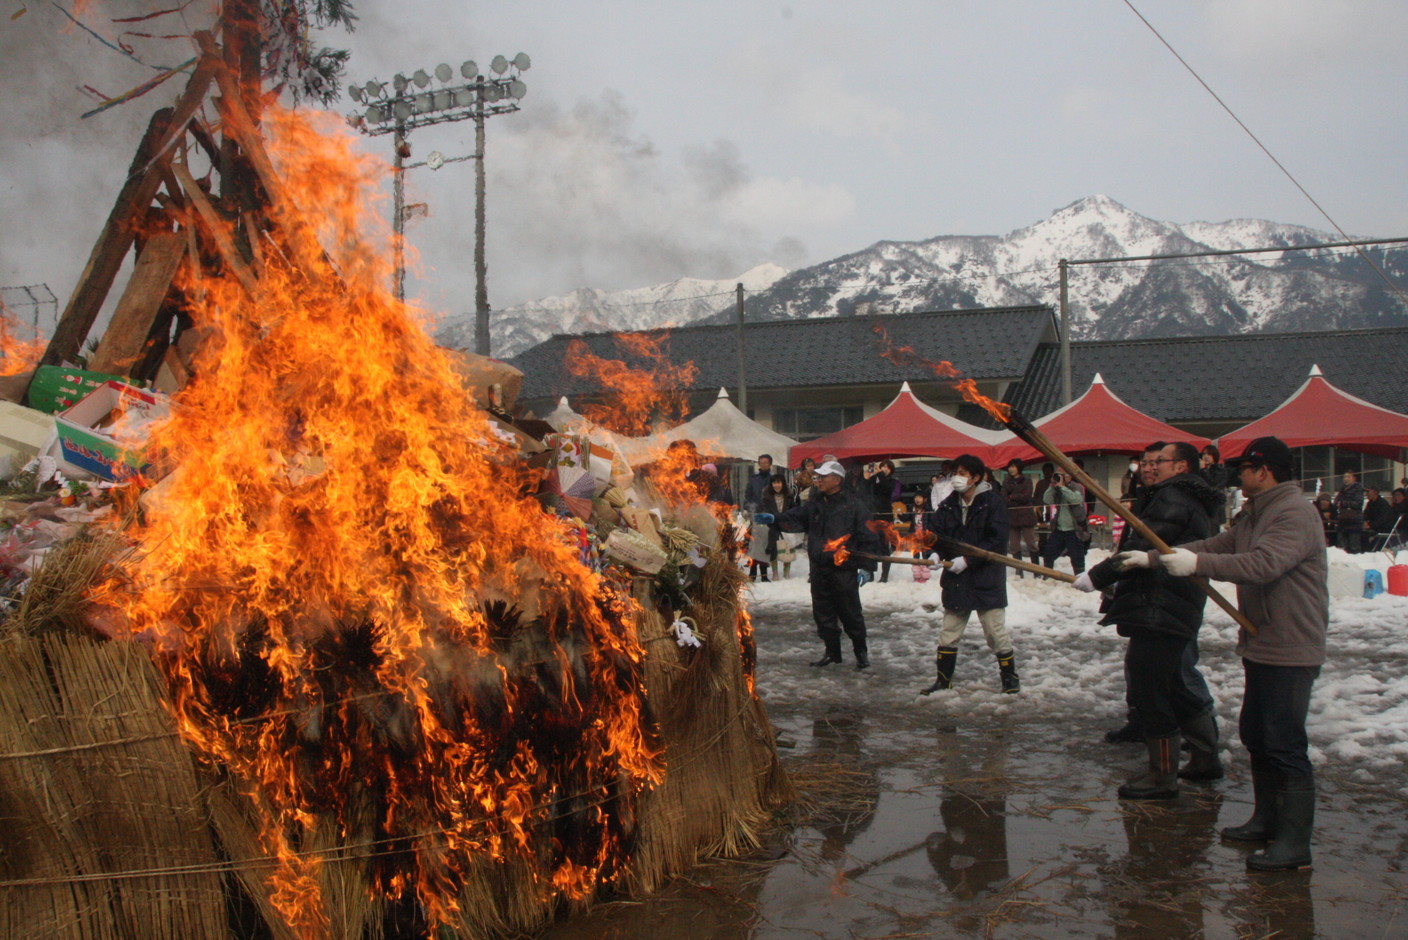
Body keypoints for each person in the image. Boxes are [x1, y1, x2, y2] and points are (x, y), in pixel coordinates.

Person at [1129, 436, 1327, 872]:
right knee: (1257, 733)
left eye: (1245, 468)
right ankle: (1266, 819)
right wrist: (1156, 557)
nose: (1238, 475)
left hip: (1291, 641)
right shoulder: (1259, 511)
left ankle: (1294, 843)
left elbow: (1263, 564)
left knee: (1284, 741)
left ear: (1265, 470)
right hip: (1263, 640)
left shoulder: (1293, 512)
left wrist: (1195, 567)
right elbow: (1219, 546)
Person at [1074, 441, 1225, 799]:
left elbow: (1140, 547)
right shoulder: (1169, 496)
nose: (1149, 467)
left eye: (1160, 461)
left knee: (1150, 689)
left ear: (1183, 467)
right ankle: (1205, 758)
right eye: (1146, 461)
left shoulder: (1173, 499)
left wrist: (1098, 576)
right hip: (1164, 602)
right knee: (1173, 683)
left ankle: (1162, 776)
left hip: (1162, 605)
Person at [759, 460, 881, 669]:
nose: (819, 480)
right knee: (823, 613)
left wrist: (867, 568)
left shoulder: (854, 505)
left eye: (823, 477)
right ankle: (832, 652)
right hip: (819, 568)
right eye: (818, 476)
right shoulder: (816, 502)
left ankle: (861, 653)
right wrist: (775, 519)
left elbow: (868, 536)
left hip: (843, 568)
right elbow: (796, 517)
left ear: (837, 479)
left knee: (850, 612)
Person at [921, 453, 1017, 694]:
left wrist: (968, 560)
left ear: (976, 477)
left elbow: (997, 541)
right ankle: (943, 681)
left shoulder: (993, 503)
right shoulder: (948, 505)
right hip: (956, 579)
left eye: (963, 474)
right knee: (949, 632)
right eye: (955, 473)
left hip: (987, 577)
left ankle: (1009, 679)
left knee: (995, 631)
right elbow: (934, 534)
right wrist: (933, 553)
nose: (957, 478)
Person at [1042, 469, 1088, 575]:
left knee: (1077, 557)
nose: (1061, 477)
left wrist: (1063, 487)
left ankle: (1079, 577)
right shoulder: (1056, 488)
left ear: (1070, 476)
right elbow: (1047, 500)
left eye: (1064, 475)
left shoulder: (1077, 487)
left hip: (1074, 528)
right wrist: (1052, 485)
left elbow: (1076, 499)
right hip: (1059, 528)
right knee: (1049, 553)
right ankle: (1047, 575)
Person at [1000, 460, 1039, 578]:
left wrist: (1012, 496)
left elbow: (1026, 496)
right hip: (1011, 517)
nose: (1011, 469)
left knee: (1031, 543)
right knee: (1014, 546)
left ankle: (1036, 570)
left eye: (1013, 467)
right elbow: (1003, 497)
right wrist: (1015, 497)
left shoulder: (1027, 480)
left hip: (1026, 516)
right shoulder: (1006, 481)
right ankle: (1019, 570)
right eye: (1010, 467)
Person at [754, 473, 795, 582]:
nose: (777, 485)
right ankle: (775, 572)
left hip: (786, 524)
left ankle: (787, 572)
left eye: (779, 482)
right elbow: (762, 510)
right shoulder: (767, 497)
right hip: (772, 525)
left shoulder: (789, 496)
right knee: (773, 548)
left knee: (787, 548)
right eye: (774, 483)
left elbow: (794, 510)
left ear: (783, 483)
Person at [1199, 445, 1230, 529]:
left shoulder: (1220, 470)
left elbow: (1213, 485)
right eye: (1204, 454)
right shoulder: (1200, 471)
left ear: (1214, 456)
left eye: (1209, 454)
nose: (1206, 456)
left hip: (1216, 512)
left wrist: (1203, 470)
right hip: (1203, 511)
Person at [1333, 470, 1364, 553]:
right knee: (1342, 548)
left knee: (1354, 546)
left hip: (1354, 522)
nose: (1346, 479)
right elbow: (1336, 502)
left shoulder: (1358, 489)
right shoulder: (1342, 489)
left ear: (1354, 478)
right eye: (1344, 477)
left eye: (1348, 476)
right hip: (1342, 521)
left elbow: (1358, 503)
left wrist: (1343, 504)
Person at [1363, 486, 1395, 551]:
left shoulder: (1382, 503)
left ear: (1375, 492)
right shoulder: (1370, 503)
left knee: (1364, 534)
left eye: (1368, 492)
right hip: (1375, 526)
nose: (1366, 494)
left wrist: (1370, 524)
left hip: (1384, 527)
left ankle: (1368, 550)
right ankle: (1364, 550)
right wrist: (1365, 522)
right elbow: (1365, 515)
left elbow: (1383, 519)